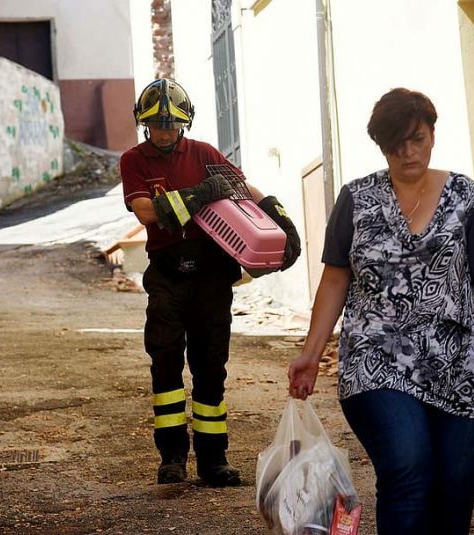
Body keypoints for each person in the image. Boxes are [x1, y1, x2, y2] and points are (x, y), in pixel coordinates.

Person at [287, 88, 474, 534]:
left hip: (463, 362)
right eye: (395, 143)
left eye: (416, 138)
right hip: (376, 358)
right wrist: (311, 351)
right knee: (407, 467)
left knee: (455, 487)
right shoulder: (356, 200)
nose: (408, 151)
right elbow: (336, 278)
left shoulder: (466, 196)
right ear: (381, 146)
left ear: (432, 135)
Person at [120, 78, 301, 486]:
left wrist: (278, 214)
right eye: (156, 125)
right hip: (167, 272)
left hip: (211, 273)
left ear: (184, 123)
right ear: (144, 123)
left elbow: (242, 188)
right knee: (165, 363)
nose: (164, 132)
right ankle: (171, 457)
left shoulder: (203, 153)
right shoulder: (134, 160)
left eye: (171, 125)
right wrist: (199, 194)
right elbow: (147, 212)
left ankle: (213, 459)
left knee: (210, 367)